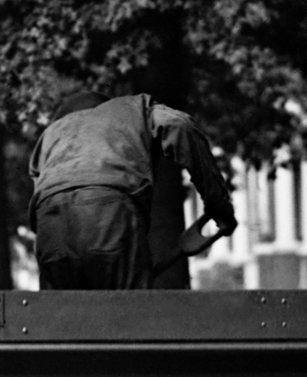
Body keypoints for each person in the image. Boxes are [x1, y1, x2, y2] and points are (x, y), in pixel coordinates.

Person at [27, 90, 238, 290]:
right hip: (108, 211)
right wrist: (218, 203)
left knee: (60, 312)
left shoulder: (50, 135)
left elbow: (38, 183)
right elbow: (179, 124)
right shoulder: (131, 109)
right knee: (131, 311)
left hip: (49, 220)